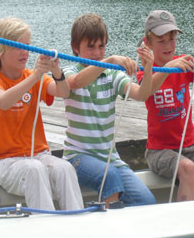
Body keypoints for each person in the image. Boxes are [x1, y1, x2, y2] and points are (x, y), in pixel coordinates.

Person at [0, 17, 84, 211]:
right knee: (34, 171)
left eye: (27, 46)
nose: (25, 52)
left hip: (37, 155)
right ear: (0, 51)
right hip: (3, 163)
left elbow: (63, 91)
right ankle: (45, 229)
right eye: (18, 46)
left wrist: (56, 71)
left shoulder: (31, 77)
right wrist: (37, 76)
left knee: (65, 169)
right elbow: (3, 102)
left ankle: (76, 224)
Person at [62, 13, 156, 207]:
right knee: (111, 177)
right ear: (75, 47)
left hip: (110, 158)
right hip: (77, 158)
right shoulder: (69, 71)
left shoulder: (112, 75)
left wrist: (148, 70)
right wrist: (110, 59)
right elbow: (76, 82)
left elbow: (141, 95)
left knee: (146, 201)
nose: (97, 52)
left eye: (101, 46)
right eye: (91, 46)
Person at [136, 10, 194, 201]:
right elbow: (148, 90)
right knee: (187, 168)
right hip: (158, 152)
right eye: (161, 41)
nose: (168, 45)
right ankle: (184, 222)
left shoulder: (184, 63)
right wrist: (170, 67)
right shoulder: (145, 71)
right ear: (148, 43)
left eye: (172, 39)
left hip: (190, 149)